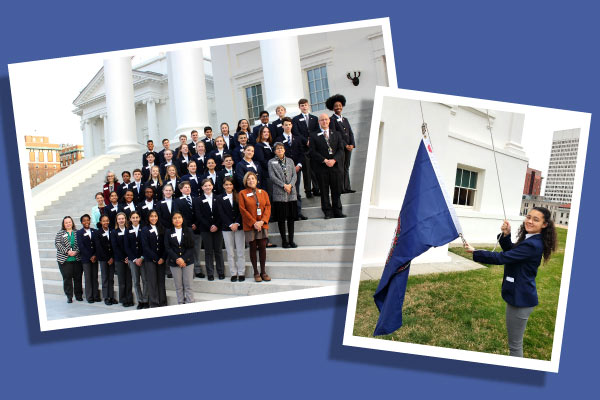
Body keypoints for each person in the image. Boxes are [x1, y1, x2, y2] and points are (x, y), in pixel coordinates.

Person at [464, 207, 557, 357]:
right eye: (528, 217)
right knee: (514, 343)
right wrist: (506, 235)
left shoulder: (533, 244)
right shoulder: (530, 240)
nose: (529, 221)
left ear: (544, 225)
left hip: (521, 300)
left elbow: (502, 258)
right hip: (518, 297)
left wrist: (476, 252)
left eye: (536, 219)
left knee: (515, 346)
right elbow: (512, 252)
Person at [309, 114, 346, 219]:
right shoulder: (313, 135)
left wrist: (334, 160)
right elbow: (312, 151)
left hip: (335, 166)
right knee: (324, 192)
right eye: (322, 120)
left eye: (326, 119)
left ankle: (338, 211)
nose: (324, 121)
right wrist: (325, 160)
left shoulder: (337, 134)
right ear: (319, 122)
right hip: (322, 167)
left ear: (329, 121)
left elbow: (341, 149)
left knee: (336, 190)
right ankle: (328, 212)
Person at [238, 172, 271, 282]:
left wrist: (262, 221)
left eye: (253, 179)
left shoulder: (263, 192)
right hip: (250, 225)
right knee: (253, 248)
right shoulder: (242, 193)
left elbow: (268, 207)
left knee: (262, 247)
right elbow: (243, 210)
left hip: (262, 224)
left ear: (256, 180)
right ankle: (256, 272)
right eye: (248, 179)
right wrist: (254, 223)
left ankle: (263, 271)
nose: (251, 181)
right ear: (245, 182)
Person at [276, 117, 307, 220]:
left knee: (296, 191)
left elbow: (301, 153)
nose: (288, 126)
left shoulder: (297, 138)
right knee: (285, 191)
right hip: (283, 170)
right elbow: (277, 154)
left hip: (296, 169)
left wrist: (299, 165)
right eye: (286, 124)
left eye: (289, 124)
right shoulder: (278, 139)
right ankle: (289, 214)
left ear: (291, 125)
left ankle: (298, 213)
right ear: (282, 126)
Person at [193, 179, 225, 280]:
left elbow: (221, 213)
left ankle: (221, 272)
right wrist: (209, 226)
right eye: (205, 186)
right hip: (205, 229)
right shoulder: (198, 200)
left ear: (212, 186)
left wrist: (216, 225)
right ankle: (210, 273)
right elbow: (199, 215)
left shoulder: (218, 198)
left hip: (218, 228)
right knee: (208, 251)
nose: (207, 187)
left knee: (218, 251)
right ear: (202, 188)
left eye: (209, 185)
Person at [268, 142, 298, 248]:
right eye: (277, 149)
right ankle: (284, 241)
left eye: (281, 148)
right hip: (279, 193)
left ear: (284, 150)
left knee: (291, 218)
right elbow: (272, 176)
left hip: (291, 193)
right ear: (275, 151)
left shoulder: (290, 161)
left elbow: (294, 175)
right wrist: (284, 185)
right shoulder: (271, 162)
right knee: (281, 219)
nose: (280, 150)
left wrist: (290, 185)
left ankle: (291, 240)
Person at [216, 176, 246, 282]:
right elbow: (221, 213)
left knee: (240, 251)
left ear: (233, 186)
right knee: (230, 252)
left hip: (239, 226)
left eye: (230, 184)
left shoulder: (239, 195)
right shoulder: (219, 198)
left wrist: (236, 223)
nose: (228, 186)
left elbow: (241, 211)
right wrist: (230, 224)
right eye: (226, 184)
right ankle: (234, 273)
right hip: (226, 228)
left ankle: (241, 272)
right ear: (223, 186)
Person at [326, 94, 356, 193]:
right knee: (340, 168)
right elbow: (335, 135)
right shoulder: (332, 120)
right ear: (332, 108)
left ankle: (347, 187)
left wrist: (352, 144)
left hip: (349, 148)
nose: (338, 107)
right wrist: (345, 145)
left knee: (346, 167)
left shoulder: (345, 119)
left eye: (339, 105)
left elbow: (350, 132)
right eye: (336, 106)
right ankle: (341, 188)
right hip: (340, 148)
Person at [164, 212, 196, 304]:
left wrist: (183, 259)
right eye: (174, 218)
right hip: (174, 262)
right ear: (172, 220)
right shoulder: (168, 232)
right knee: (178, 286)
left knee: (188, 285)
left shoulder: (188, 230)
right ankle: (181, 304)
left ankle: (190, 304)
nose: (177, 220)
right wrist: (177, 259)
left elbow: (191, 247)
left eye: (179, 217)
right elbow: (168, 248)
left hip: (188, 262)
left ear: (182, 219)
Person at [292, 98, 320, 198]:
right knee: (307, 171)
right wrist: (306, 141)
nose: (304, 107)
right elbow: (296, 133)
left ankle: (316, 189)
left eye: (305, 105)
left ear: (308, 106)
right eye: (302, 105)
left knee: (315, 169)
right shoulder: (295, 119)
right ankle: (308, 191)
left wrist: (312, 141)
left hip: (313, 148)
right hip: (303, 148)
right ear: (299, 107)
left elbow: (317, 131)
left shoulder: (314, 118)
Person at [141, 210, 167, 307]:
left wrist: (163, 258)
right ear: (148, 217)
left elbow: (165, 245)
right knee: (152, 282)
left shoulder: (162, 228)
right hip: (150, 260)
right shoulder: (144, 229)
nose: (153, 218)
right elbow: (145, 247)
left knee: (161, 281)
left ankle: (163, 302)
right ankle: (154, 303)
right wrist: (156, 258)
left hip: (161, 260)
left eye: (155, 216)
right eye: (151, 216)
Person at [55, 216, 83, 303]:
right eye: (66, 222)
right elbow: (57, 244)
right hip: (64, 260)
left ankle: (78, 295)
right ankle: (69, 296)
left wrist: (76, 251)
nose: (68, 224)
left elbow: (81, 243)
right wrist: (67, 251)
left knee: (78, 278)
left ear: (72, 222)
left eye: (69, 222)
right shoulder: (60, 233)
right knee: (67, 279)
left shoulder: (77, 232)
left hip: (77, 259)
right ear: (64, 224)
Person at [111, 212, 134, 307]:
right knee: (122, 281)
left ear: (125, 219)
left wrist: (129, 257)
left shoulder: (129, 230)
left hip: (129, 259)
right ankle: (123, 299)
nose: (121, 220)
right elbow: (115, 247)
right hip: (119, 259)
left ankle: (129, 298)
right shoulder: (114, 232)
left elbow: (131, 245)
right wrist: (124, 258)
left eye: (123, 218)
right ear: (117, 220)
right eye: (119, 219)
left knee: (129, 280)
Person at [125, 211, 148, 309]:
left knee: (145, 280)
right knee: (136, 281)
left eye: (136, 217)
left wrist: (141, 257)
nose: (135, 219)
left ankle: (146, 300)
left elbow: (146, 245)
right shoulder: (127, 230)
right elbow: (127, 247)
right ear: (130, 219)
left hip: (143, 259)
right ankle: (140, 301)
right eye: (133, 217)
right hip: (133, 260)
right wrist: (135, 259)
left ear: (139, 218)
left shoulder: (144, 229)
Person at [94, 215, 118, 305]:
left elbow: (114, 245)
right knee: (105, 278)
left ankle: (111, 296)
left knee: (111, 278)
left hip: (112, 258)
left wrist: (112, 257)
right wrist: (107, 258)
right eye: (104, 221)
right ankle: (106, 297)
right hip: (103, 259)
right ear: (100, 222)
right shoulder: (97, 232)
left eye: (107, 221)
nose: (106, 222)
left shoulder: (112, 231)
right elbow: (99, 247)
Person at [77, 214, 100, 303]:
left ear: (90, 221)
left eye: (88, 220)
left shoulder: (94, 231)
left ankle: (96, 296)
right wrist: (90, 256)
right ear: (82, 222)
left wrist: (94, 255)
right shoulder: (79, 232)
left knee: (95, 277)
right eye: (84, 220)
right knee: (88, 278)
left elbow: (97, 244)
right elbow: (81, 246)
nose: (86, 222)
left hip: (95, 258)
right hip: (86, 259)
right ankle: (89, 297)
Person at [254, 125, 275, 195]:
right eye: (264, 132)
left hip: (274, 172)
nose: (266, 133)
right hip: (266, 173)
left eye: (268, 132)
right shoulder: (258, 145)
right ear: (260, 134)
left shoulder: (271, 145)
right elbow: (261, 160)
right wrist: (272, 167)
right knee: (270, 193)